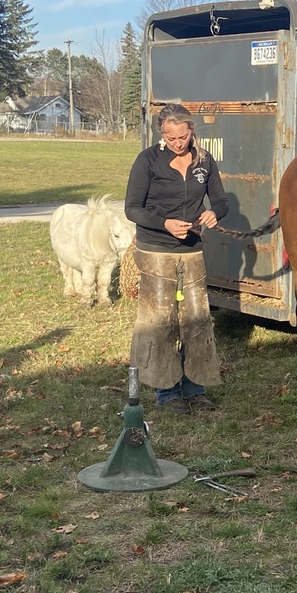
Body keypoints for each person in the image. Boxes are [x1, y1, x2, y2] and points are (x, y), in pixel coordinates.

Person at [124, 103, 229, 414]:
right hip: (156, 250)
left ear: (191, 131)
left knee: (195, 322)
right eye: (171, 138)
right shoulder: (148, 161)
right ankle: (167, 393)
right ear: (162, 135)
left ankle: (195, 389)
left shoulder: (204, 161)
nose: (178, 143)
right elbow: (132, 208)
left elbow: (221, 199)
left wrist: (214, 212)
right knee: (161, 323)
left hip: (192, 252)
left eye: (182, 136)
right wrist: (164, 223)